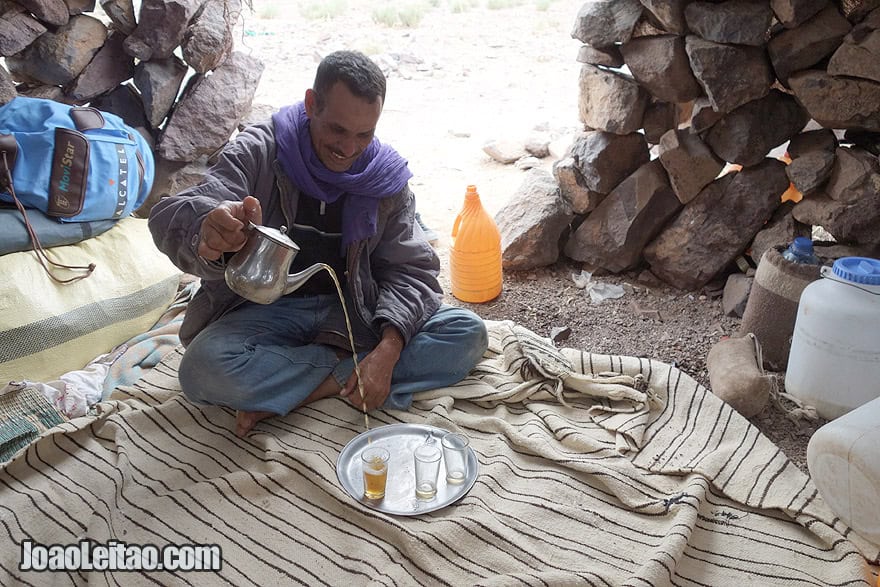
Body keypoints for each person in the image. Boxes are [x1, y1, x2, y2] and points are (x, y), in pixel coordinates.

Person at [149, 50, 488, 437]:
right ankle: (350, 377)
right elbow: (181, 210)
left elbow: (411, 270)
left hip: (357, 312)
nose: (349, 148)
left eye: (364, 134)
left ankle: (306, 389)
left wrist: (389, 350)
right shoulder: (262, 150)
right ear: (312, 104)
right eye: (338, 131)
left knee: (467, 332)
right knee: (201, 369)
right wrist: (206, 229)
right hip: (264, 311)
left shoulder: (385, 178)